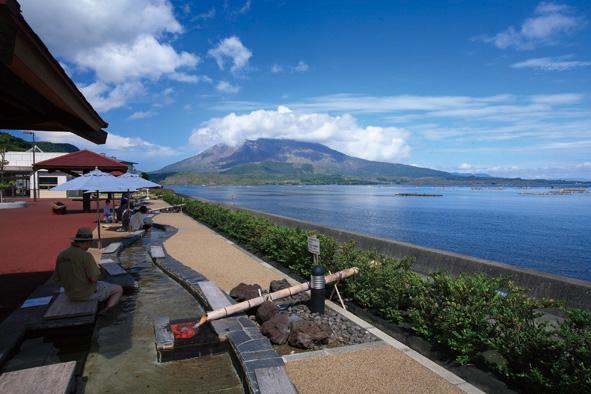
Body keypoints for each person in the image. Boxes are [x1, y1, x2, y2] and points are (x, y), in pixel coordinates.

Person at [53, 227, 123, 314]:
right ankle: (107, 310)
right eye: (90, 243)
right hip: (86, 294)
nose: (90, 246)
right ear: (87, 242)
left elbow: (56, 278)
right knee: (118, 289)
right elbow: (94, 279)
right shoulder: (86, 256)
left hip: (70, 295)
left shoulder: (61, 255)